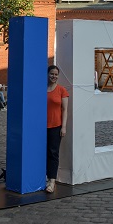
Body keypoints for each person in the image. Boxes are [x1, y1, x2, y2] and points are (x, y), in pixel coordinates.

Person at [46, 65, 69, 193]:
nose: (54, 76)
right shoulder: (42, 89)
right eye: (51, 74)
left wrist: (63, 126)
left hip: (56, 126)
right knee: (42, 152)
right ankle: (43, 176)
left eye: (56, 74)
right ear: (47, 74)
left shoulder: (62, 90)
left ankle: (52, 180)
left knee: (53, 153)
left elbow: (65, 110)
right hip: (41, 127)